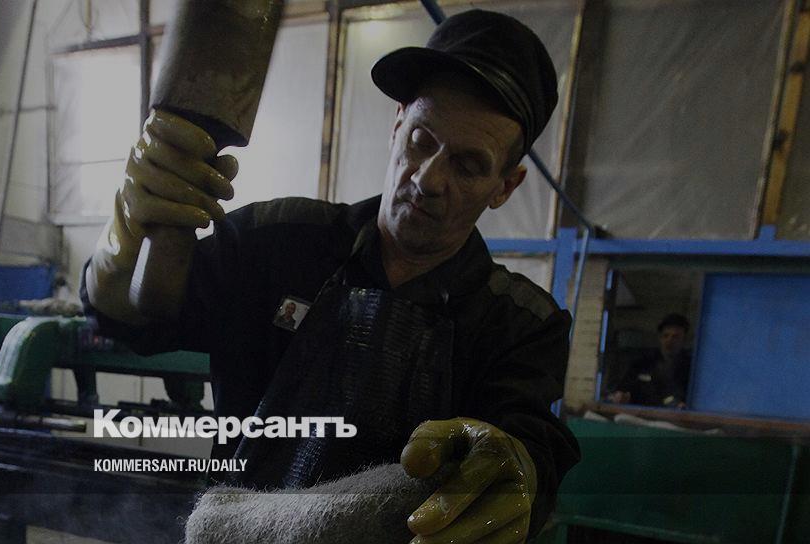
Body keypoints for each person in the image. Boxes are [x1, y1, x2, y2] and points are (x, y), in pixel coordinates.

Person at [82, 10, 580, 543]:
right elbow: (139, 322)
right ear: (396, 125)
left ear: (505, 185)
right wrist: (121, 249)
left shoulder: (521, 325)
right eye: (421, 139)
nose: (429, 179)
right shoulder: (275, 243)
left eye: (468, 165)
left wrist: (517, 469)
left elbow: (530, 442)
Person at [608, 313, 693, 408]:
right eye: (666, 336)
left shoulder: (691, 368)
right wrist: (621, 396)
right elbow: (623, 389)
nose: (669, 340)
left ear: (684, 339)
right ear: (660, 338)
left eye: (675, 337)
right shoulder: (643, 363)